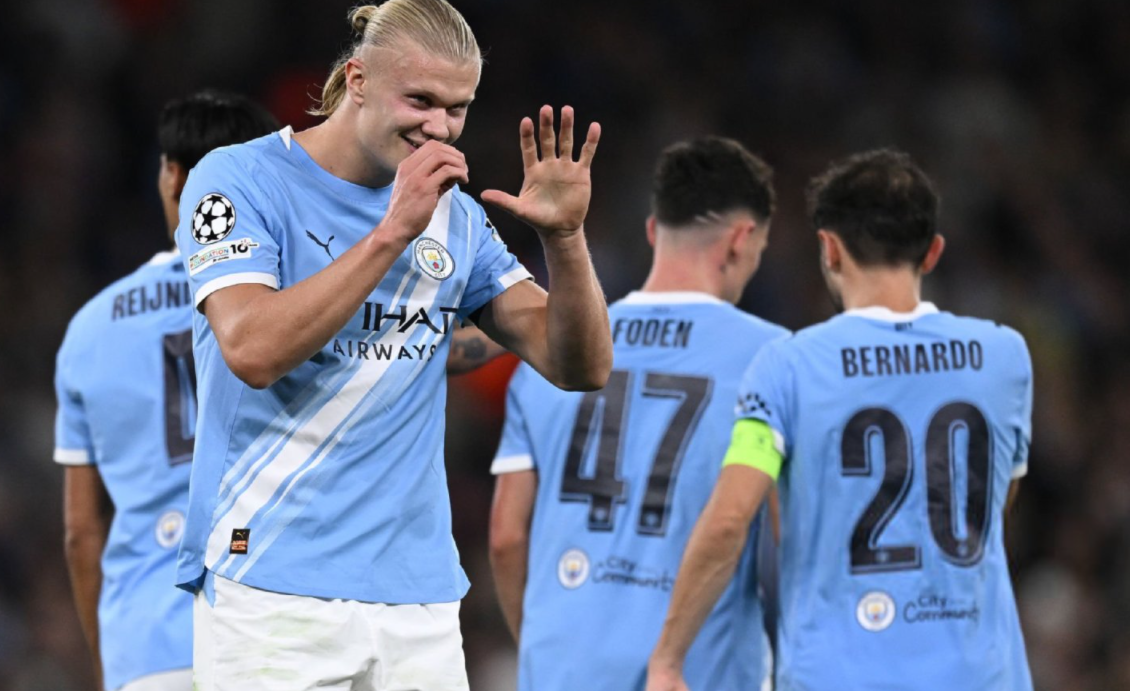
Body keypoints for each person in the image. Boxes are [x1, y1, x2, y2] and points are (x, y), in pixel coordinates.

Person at [172, 1, 612, 689]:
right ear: (358, 80)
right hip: (268, 584)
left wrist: (564, 239)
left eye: (457, 108)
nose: (440, 126)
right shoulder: (238, 180)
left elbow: (579, 364)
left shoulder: (456, 218)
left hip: (418, 598)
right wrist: (391, 232)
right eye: (421, 100)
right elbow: (251, 350)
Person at [647, 149, 1034, 691]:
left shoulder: (786, 367)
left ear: (829, 248)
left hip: (837, 672)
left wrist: (668, 658)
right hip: (980, 675)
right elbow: (994, 500)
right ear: (932, 252)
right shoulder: (1003, 358)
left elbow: (731, 518)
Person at [490, 136, 786, 691]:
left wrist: (543, 654)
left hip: (561, 671)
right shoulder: (777, 360)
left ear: (653, 231)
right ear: (742, 240)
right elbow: (786, 538)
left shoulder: (555, 347)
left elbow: (507, 536)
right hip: (696, 675)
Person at [54, 91, 279, 691]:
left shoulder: (88, 329)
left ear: (172, 175)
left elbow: (81, 532)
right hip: (266, 629)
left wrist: (112, 665)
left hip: (144, 646)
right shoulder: (283, 304)